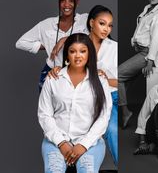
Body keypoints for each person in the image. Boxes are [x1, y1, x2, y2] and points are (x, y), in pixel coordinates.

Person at [48, 5, 118, 167]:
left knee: (113, 130)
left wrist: (104, 80)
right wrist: (57, 69)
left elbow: (122, 81)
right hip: (83, 98)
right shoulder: (77, 43)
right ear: (92, 22)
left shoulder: (114, 48)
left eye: (110, 25)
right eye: (102, 23)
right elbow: (64, 69)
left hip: (110, 97)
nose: (106, 29)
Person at [38, 33, 112, 173]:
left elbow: (104, 116)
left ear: (89, 54)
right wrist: (61, 143)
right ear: (67, 55)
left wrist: (83, 145)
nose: (78, 56)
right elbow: (44, 115)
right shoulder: (53, 79)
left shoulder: (100, 80)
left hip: (90, 142)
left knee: (87, 171)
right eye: (73, 51)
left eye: (83, 51)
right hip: (55, 141)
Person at [15, 0, 88, 91]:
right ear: (58, 1)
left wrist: (65, 40)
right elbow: (20, 43)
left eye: (71, 1)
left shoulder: (85, 20)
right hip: (52, 74)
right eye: (62, 0)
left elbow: (96, 37)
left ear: (77, 1)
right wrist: (46, 44)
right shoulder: (46, 25)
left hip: (78, 75)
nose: (66, 5)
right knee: (47, 109)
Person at [118, 0, 158, 128]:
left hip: (148, 54)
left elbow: (156, 39)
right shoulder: (148, 9)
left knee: (117, 75)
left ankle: (125, 112)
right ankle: (116, 111)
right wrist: (135, 42)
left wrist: (149, 61)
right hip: (142, 51)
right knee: (123, 81)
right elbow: (141, 30)